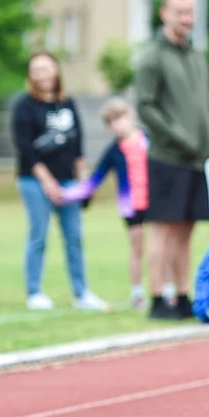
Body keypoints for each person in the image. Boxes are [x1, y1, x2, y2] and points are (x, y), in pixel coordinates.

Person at [135, 0, 209, 320]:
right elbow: (145, 106)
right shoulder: (152, 56)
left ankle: (182, 295)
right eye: (179, 12)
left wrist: (206, 137)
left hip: (196, 158)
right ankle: (158, 297)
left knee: (186, 228)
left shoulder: (197, 56)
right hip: (168, 157)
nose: (186, 19)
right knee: (163, 229)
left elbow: (206, 104)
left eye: (190, 12)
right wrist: (180, 137)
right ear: (163, 14)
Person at [10, 52, 108, 312]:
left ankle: (81, 292)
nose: (42, 75)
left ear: (56, 71)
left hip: (68, 182)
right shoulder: (24, 106)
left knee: (74, 236)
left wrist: (82, 176)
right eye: (36, 70)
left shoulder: (67, 103)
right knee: (38, 235)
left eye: (47, 68)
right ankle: (34, 291)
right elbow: (25, 149)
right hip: (35, 181)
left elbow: (77, 143)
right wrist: (47, 182)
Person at [64, 99, 151, 308]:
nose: (118, 125)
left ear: (131, 117)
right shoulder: (113, 151)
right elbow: (94, 180)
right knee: (137, 249)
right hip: (131, 205)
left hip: (156, 201)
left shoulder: (148, 141)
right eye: (111, 122)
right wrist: (66, 194)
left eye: (120, 118)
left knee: (160, 247)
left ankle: (166, 289)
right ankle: (138, 292)